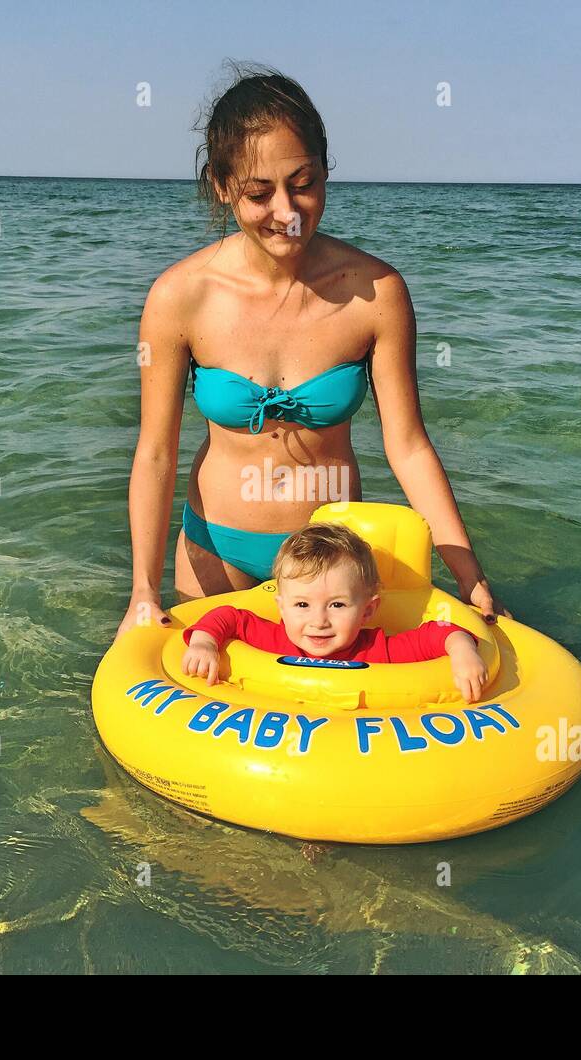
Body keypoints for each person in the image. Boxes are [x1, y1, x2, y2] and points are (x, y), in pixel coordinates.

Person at [117, 62, 511, 641]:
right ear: (223, 187)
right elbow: (155, 452)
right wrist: (143, 592)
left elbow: (408, 447)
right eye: (259, 193)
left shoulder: (376, 293)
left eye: (304, 183)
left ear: (326, 173)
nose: (287, 211)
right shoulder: (179, 298)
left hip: (335, 569)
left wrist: (469, 574)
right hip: (216, 553)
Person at [181, 523, 489, 704]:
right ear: (281, 608)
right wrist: (204, 643)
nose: (319, 621)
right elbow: (228, 616)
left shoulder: (379, 650)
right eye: (302, 605)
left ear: (369, 610)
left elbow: (437, 633)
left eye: (337, 605)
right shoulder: (271, 638)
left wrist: (462, 651)